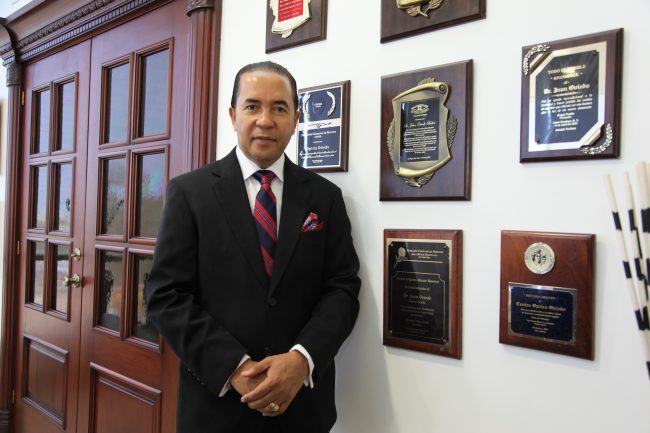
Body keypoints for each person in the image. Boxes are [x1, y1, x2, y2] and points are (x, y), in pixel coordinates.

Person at [145, 61, 361, 433]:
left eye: (279, 108)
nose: (265, 120)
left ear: (295, 119)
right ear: (233, 116)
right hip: (216, 410)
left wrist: (302, 360)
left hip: (303, 409)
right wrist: (236, 368)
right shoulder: (190, 193)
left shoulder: (325, 198)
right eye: (252, 106)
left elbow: (342, 288)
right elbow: (166, 296)